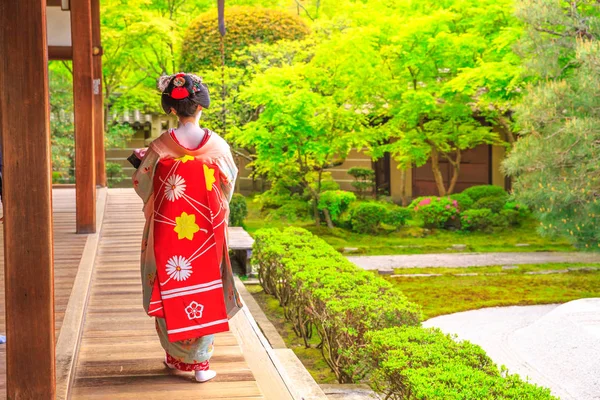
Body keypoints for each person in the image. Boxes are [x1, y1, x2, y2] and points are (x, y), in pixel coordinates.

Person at [132, 72, 242, 383]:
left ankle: (174, 356)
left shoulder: (161, 145)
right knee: (206, 284)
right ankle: (201, 365)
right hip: (206, 231)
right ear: (201, 108)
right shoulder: (218, 147)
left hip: (166, 231)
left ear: (171, 109)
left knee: (167, 283)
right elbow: (228, 185)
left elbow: (142, 183)